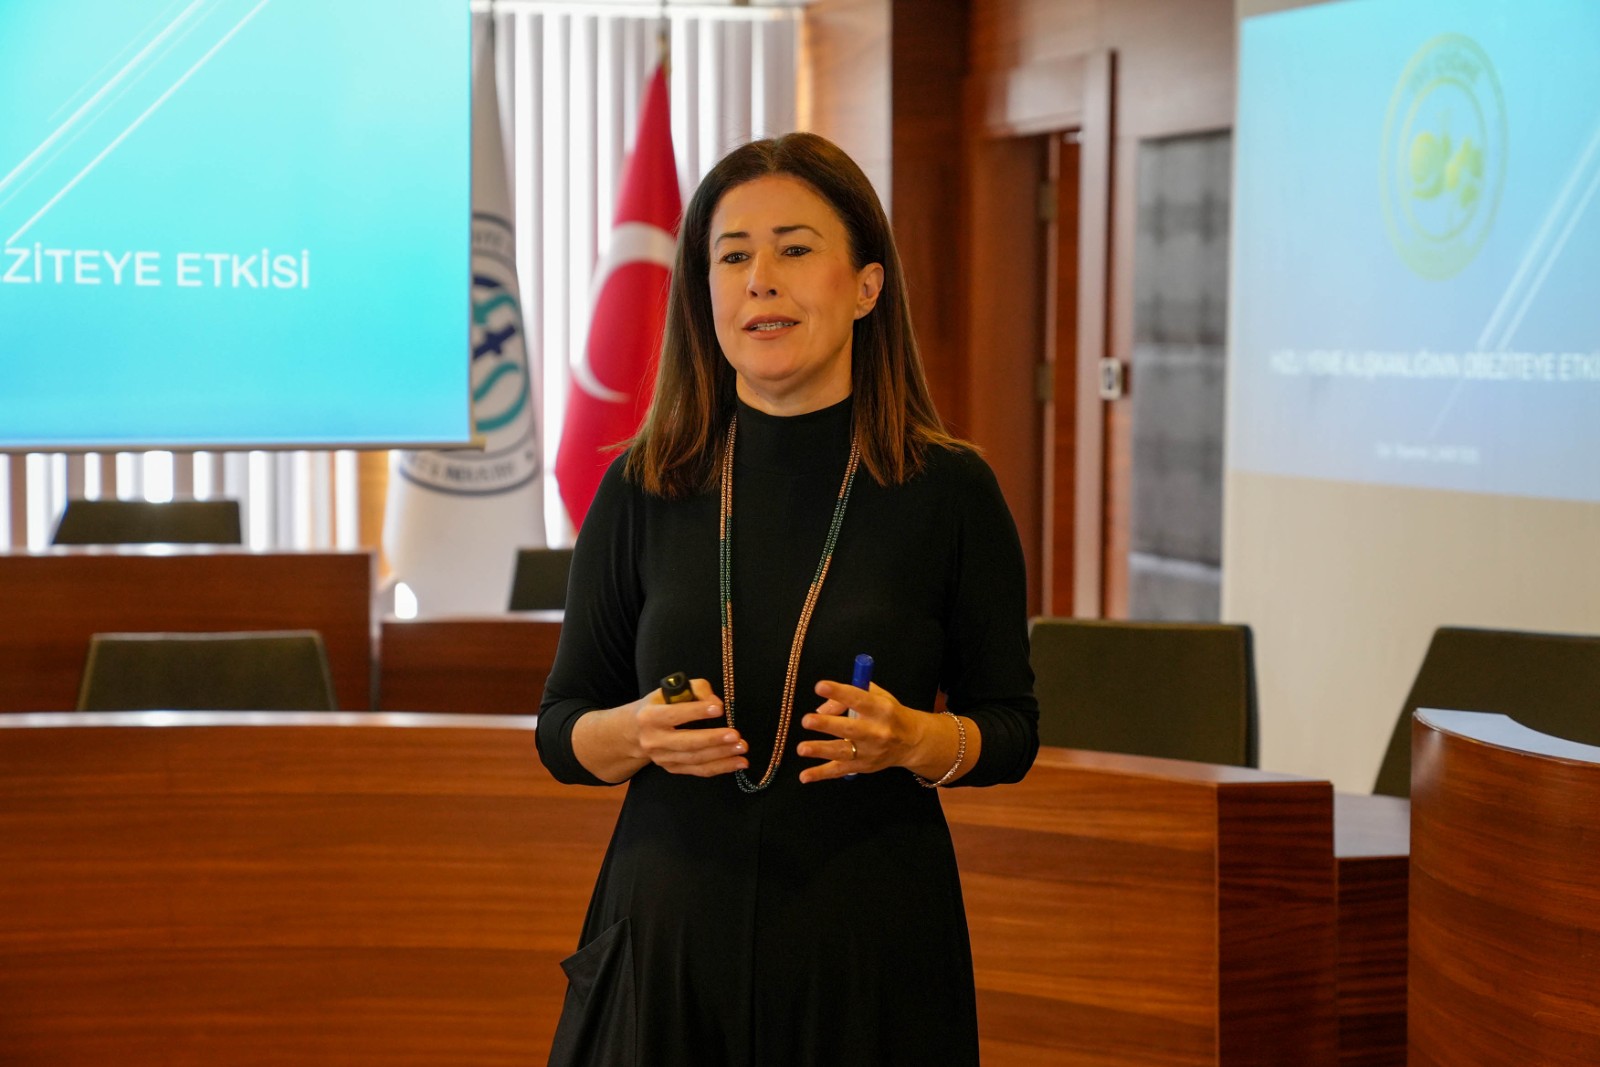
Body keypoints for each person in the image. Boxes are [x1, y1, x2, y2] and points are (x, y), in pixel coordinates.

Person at [537, 131, 1038, 1067]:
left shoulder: (948, 490)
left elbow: (1010, 727)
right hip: (668, 941)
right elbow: (562, 728)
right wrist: (637, 733)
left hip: (868, 943)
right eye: (733, 258)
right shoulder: (645, 484)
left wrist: (916, 740)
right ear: (705, 295)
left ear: (867, 286)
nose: (760, 281)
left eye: (794, 249)